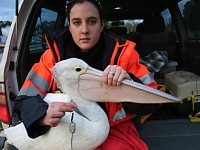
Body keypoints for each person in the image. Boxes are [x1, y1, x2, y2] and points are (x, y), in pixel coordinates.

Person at [14, 0, 160, 149]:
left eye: (92, 21)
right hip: (67, 127)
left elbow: (153, 103)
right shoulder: (51, 58)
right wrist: (43, 116)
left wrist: (128, 82)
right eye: (77, 22)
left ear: (102, 25)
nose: (84, 30)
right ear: (69, 26)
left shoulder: (125, 55)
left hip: (115, 129)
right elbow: (24, 99)